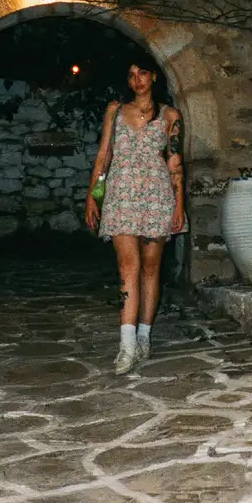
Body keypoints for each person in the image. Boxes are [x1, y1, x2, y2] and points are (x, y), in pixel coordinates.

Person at [85, 58, 186, 375]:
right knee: (127, 266)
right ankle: (126, 346)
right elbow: (104, 155)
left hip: (156, 197)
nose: (137, 79)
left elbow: (174, 163)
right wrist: (93, 196)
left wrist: (178, 205)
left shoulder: (170, 116)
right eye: (131, 75)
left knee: (151, 269)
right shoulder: (114, 111)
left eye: (142, 72)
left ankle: (144, 337)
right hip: (120, 196)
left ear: (153, 76)